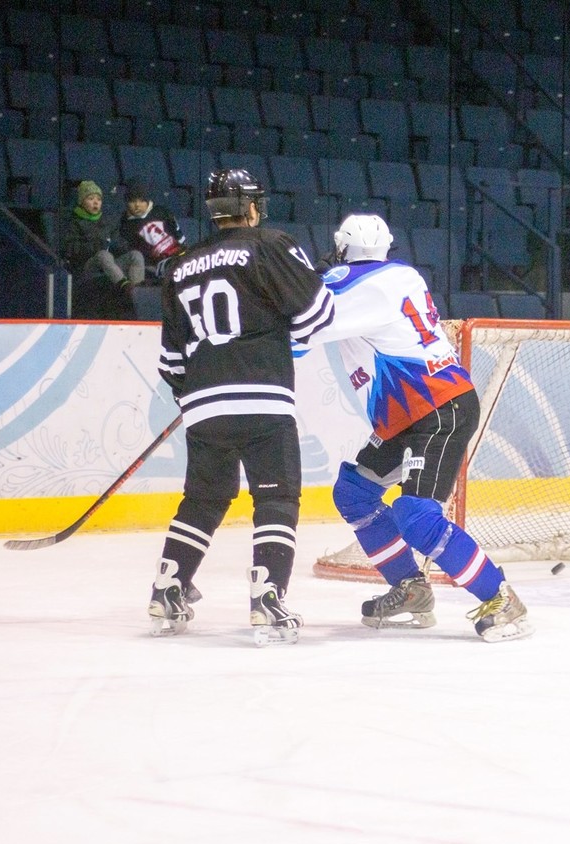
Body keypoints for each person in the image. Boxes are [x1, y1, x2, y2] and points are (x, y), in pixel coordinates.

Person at [309, 213, 533, 642]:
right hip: (411, 413)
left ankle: (501, 597)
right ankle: (410, 588)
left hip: (436, 410)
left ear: (341, 248)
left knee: (416, 517)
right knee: (354, 492)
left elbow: (305, 316)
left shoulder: (348, 282)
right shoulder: (402, 275)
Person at [147, 168, 335, 644]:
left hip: (203, 405)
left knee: (204, 498)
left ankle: (167, 589)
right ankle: (267, 599)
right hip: (263, 397)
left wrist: (198, 397)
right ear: (251, 206)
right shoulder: (270, 245)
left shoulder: (179, 267)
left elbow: (171, 363)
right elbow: (318, 317)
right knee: (275, 497)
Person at [62, 179, 144, 316]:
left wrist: (119, 246)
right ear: (82, 202)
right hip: (88, 266)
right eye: (91, 199)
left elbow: (120, 244)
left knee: (136, 255)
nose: (96, 202)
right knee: (103, 255)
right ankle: (125, 287)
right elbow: (71, 249)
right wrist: (96, 245)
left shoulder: (108, 222)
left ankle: (137, 293)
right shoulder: (74, 222)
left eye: (98, 199)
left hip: (110, 265)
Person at [119, 179, 186, 281]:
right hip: (154, 267)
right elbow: (135, 255)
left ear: (147, 200)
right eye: (132, 201)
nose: (137, 205)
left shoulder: (162, 212)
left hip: (178, 256)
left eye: (142, 200)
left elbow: (180, 237)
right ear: (127, 203)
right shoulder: (126, 225)